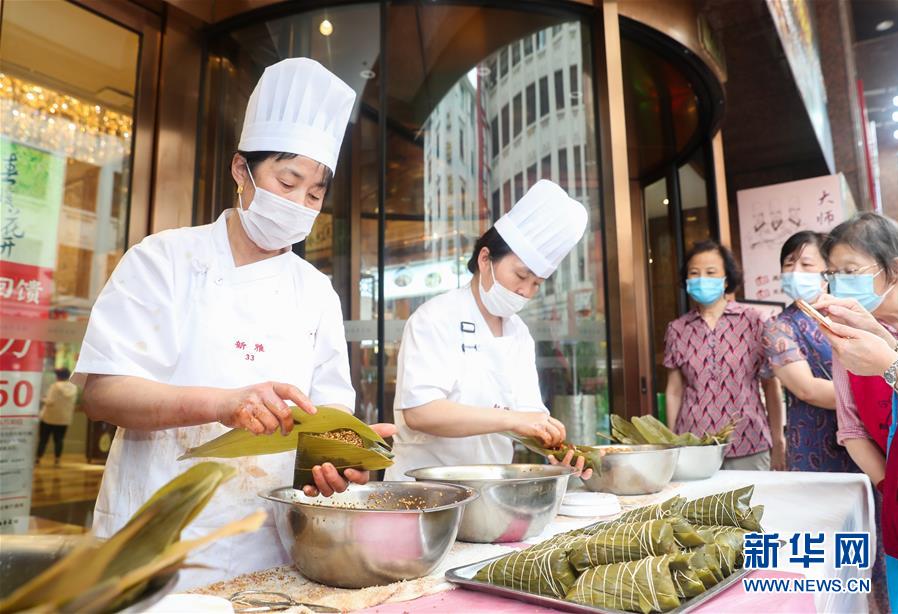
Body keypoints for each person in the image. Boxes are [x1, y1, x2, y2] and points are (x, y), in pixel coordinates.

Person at [74, 58, 394, 589]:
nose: (298, 204)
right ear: (241, 170)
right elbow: (104, 394)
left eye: (314, 193)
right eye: (286, 182)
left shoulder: (315, 291)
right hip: (156, 536)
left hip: (266, 545)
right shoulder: (164, 259)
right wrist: (225, 404)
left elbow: (328, 410)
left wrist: (341, 458)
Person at [384, 180, 591, 480]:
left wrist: (557, 450)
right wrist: (512, 420)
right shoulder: (434, 318)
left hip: (491, 489)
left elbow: (528, 419)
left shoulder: (519, 333)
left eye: (536, 284)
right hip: (424, 489)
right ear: (485, 259)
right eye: (521, 275)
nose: (526, 291)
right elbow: (420, 413)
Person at [812, 212, 898, 613]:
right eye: (834, 273)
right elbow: (851, 429)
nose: (841, 282)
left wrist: (889, 362)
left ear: (894, 269)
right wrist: (889, 487)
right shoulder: (848, 339)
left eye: (852, 270)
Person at [664, 240, 785, 471]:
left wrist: (778, 440)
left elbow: (771, 385)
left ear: (726, 279)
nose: (702, 279)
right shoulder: (677, 329)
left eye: (710, 273)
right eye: (694, 273)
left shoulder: (754, 320)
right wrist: (672, 441)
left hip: (749, 441)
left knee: (752, 507)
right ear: (686, 280)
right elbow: (674, 390)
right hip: (693, 445)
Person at [761, 232, 855, 472]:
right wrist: (876, 396)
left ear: (827, 270)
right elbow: (807, 389)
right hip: (814, 441)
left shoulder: (851, 313)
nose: (795, 272)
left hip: (870, 434)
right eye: (789, 264)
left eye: (806, 264)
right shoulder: (779, 327)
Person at [36, 368, 78, 466]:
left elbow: (50, 401)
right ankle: (57, 459)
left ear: (58, 376)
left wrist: (42, 399)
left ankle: (38, 458)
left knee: (43, 439)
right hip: (64, 419)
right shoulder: (74, 387)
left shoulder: (55, 386)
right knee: (59, 440)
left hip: (49, 418)